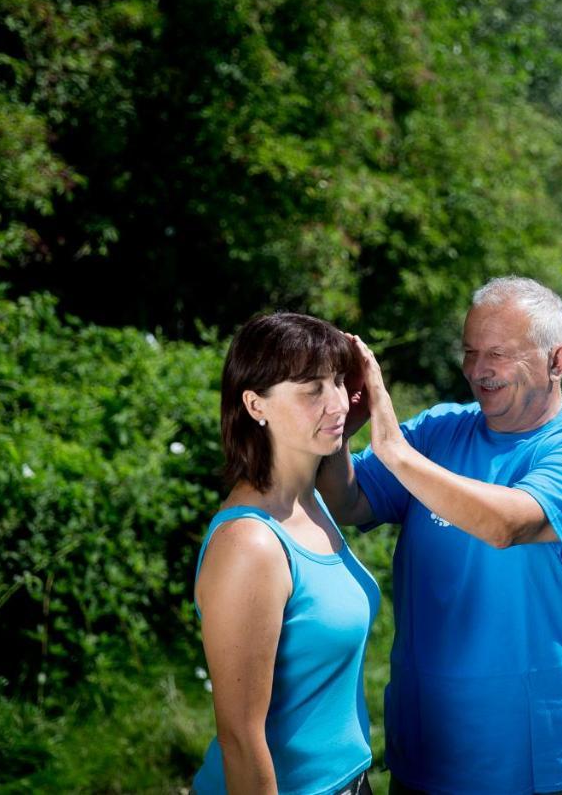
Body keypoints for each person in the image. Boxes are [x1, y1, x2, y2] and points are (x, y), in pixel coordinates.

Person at [319, 276, 562, 795]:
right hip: (429, 754)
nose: (478, 371)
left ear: (557, 361)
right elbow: (347, 501)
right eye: (469, 351)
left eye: (498, 354)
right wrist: (338, 433)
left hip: (548, 767)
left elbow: (508, 524)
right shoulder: (439, 430)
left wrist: (396, 452)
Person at [193, 312, 380, 795]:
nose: (337, 401)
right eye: (311, 388)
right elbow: (239, 737)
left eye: (338, 382)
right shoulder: (251, 544)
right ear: (256, 404)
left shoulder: (311, 503)